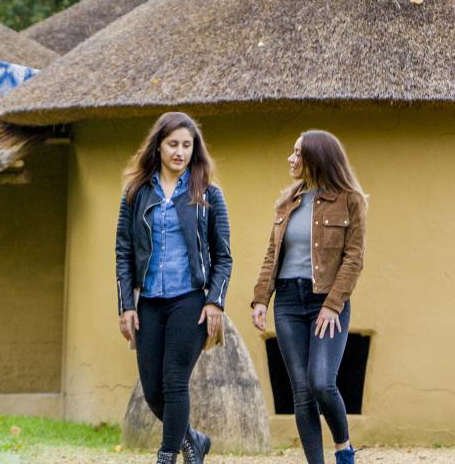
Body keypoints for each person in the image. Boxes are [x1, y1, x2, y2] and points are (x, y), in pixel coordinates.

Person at [115, 112, 232, 464]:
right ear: (158, 146)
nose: (179, 152)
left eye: (186, 145)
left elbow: (224, 255)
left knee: (174, 382)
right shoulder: (136, 192)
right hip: (149, 301)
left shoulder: (209, 194)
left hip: (190, 300)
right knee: (153, 391)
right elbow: (123, 251)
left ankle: (167, 455)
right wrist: (126, 305)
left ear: (194, 149)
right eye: (173, 144)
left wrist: (215, 301)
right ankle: (193, 439)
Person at [249, 130, 367, 464]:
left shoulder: (350, 199)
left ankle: (343, 448)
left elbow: (354, 259)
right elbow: (273, 253)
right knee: (301, 392)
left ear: (317, 158)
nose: (291, 158)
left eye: (298, 153)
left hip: (326, 302)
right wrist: (261, 299)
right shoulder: (287, 200)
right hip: (287, 301)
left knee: (321, 382)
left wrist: (333, 304)